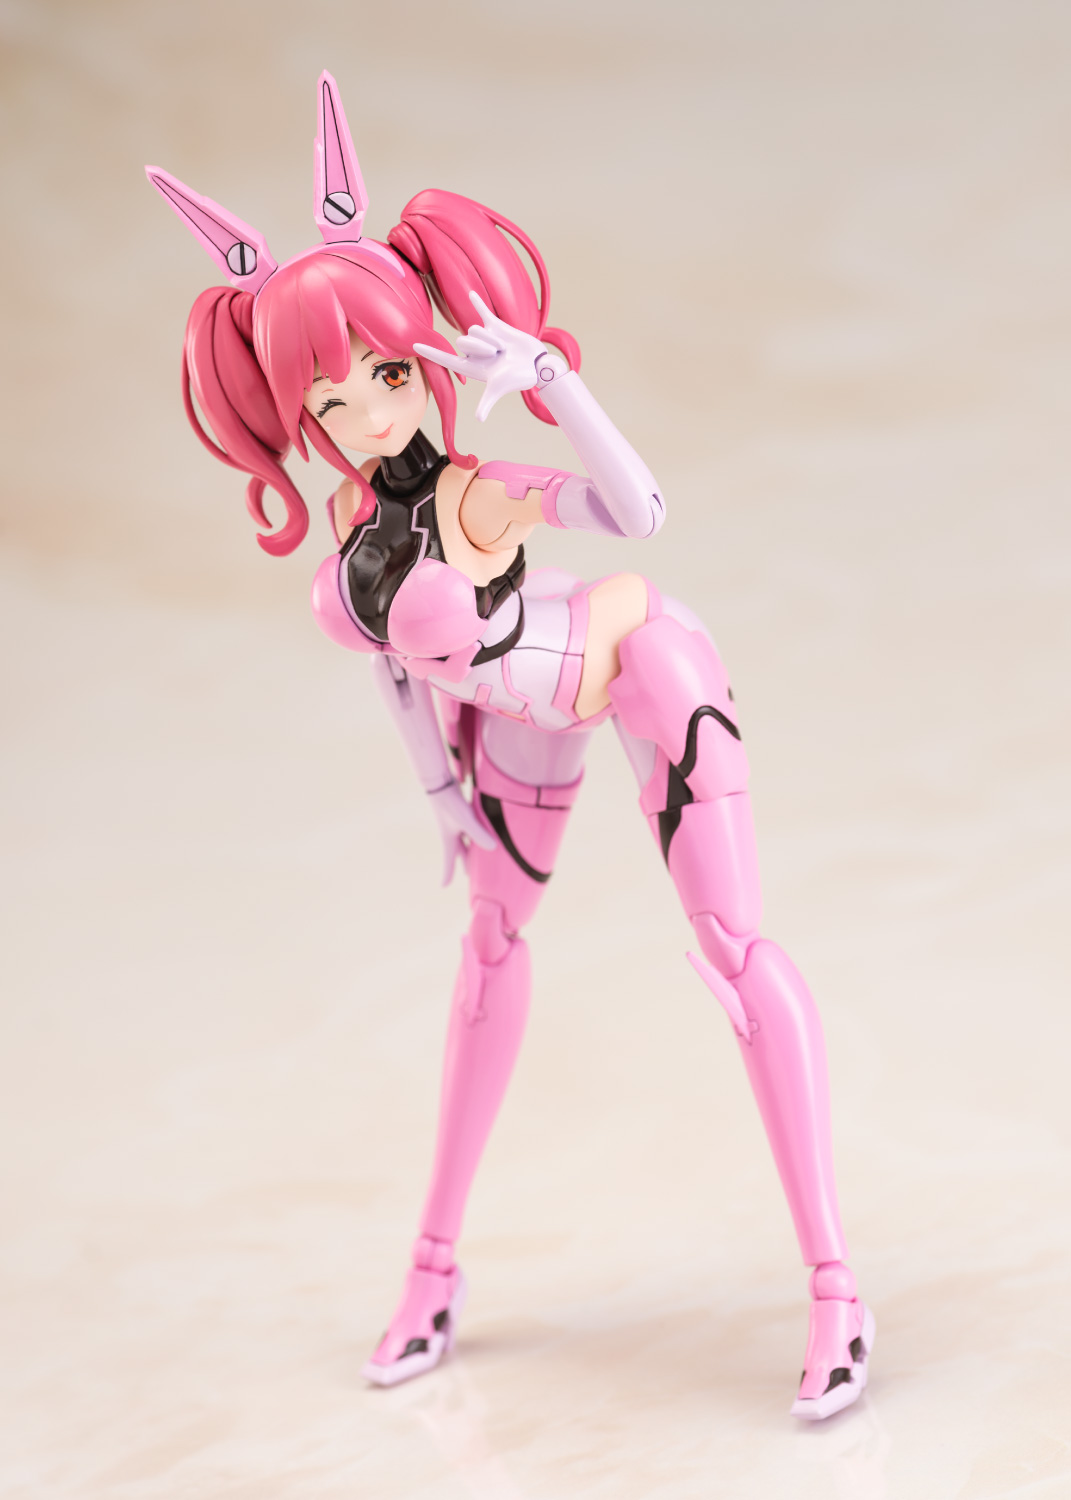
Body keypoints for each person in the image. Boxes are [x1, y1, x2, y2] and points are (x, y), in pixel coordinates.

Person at [147, 71, 873, 1421]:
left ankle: (836, 1285)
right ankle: (431, 1270)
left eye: (386, 374)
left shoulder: (478, 493)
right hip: (517, 719)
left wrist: (553, 383)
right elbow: (400, 670)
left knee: (733, 951)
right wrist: (437, 791)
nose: (371, 414)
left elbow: (638, 511)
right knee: (488, 954)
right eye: (332, 401)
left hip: (632, 662)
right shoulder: (353, 544)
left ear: (422, 357)